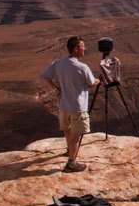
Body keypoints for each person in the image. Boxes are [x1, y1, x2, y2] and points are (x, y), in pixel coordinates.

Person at [41, 36, 100, 173]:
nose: (85, 49)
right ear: (75, 49)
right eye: (82, 46)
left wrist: (56, 89)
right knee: (76, 135)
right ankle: (71, 163)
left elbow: (44, 75)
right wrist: (98, 79)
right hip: (77, 107)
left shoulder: (59, 63)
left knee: (67, 130)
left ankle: (70, 151)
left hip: (63, 105)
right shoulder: (82, 67)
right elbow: (92, 83)